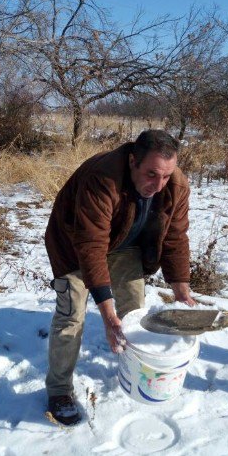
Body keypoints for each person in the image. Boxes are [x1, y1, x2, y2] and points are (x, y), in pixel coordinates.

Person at [44, 129, 196, 425]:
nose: (158, 184)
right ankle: (59, 390)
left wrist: (181, 290)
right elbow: (91, 245)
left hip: (125, 244)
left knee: (135, 309)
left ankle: (133, 368)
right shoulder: (103, 178)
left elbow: (176, 237)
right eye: (151, 174)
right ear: (132, 161)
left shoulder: (176, 184)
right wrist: (106, 313)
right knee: (72, 316)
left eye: (165, 176)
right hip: (73, 247)